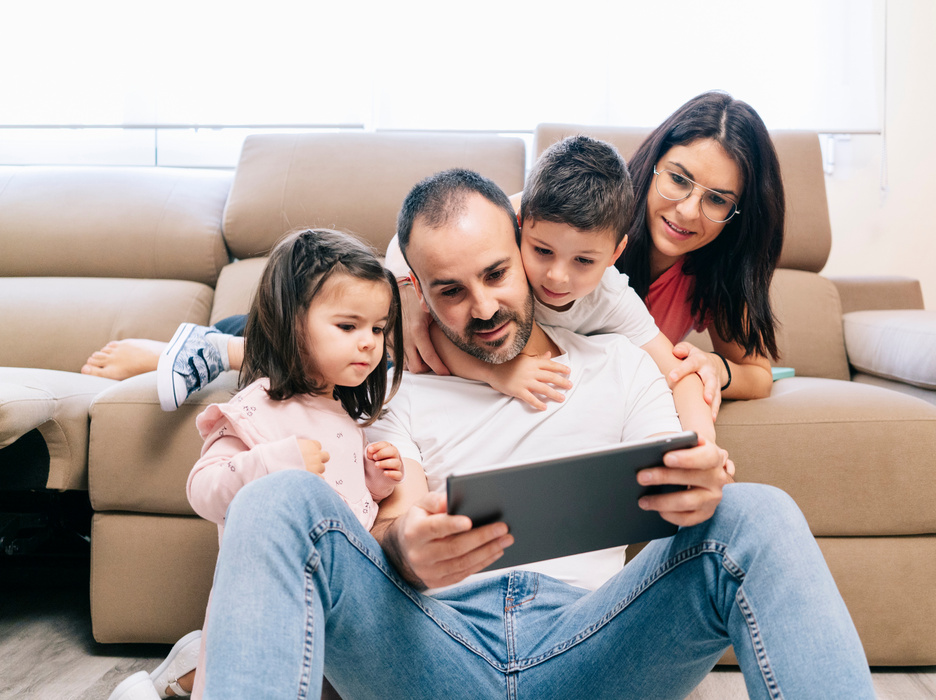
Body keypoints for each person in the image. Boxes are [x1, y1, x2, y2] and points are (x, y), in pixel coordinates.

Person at [198, 169, 875, 698]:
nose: (483, 307)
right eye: (450, 290)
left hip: (592, 645)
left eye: (496, 273)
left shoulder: (620, 365)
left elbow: (677, 484)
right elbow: (391, 522)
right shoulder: (392, 389)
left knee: (757, 512)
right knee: (275, 499)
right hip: (435, 651)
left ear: (527, 247)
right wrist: (407, 551)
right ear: (418, 294)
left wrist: (699, 487)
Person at [80, 91, 782, 424]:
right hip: (426, 319)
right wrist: (415, 297)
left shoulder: (704, 278)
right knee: (353, 340)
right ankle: (209, 346)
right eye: (679, 180)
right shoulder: (554, 214)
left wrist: (710, 370)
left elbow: (751, 371)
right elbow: (428, 231)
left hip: (495, 345)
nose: (689, 210)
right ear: (651, 167)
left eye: (717, 199)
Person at [106, 228, 406, 700]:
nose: (369, 343)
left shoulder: (343, 413)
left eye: (378, 328)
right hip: (271, 596)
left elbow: (343, 501)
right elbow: (203, 489)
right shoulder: (257, 408)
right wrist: (274, 464)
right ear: (290, 323)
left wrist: (374, 481)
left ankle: (190, 665)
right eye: (348, 327)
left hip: (337, 598)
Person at [421, 135, 715, 442]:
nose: (557, 277)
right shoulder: (502, 273)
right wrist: (497, 373)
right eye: (542, 251)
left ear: (615, 254)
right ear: (519, 226)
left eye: (584, 260)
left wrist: (704, 444)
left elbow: (680, 377)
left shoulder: (612, 297)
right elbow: (438, 333)